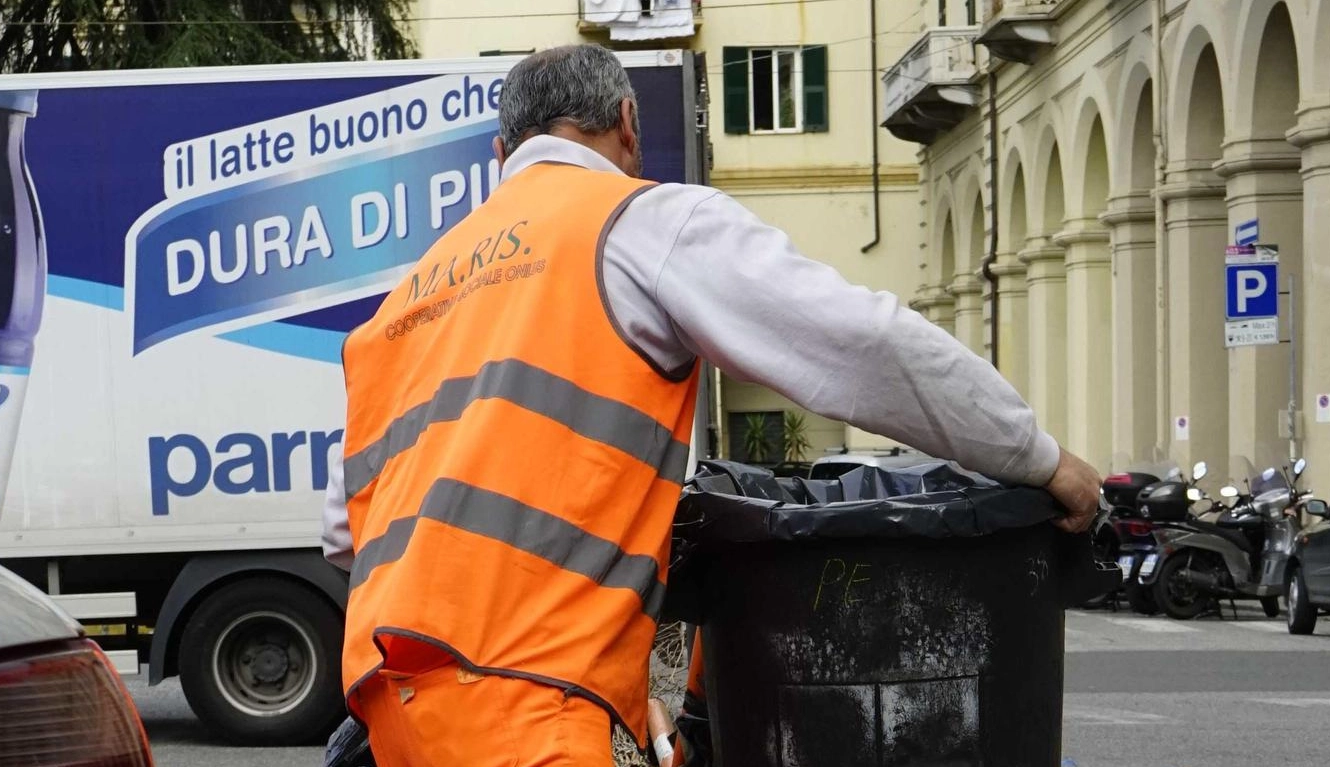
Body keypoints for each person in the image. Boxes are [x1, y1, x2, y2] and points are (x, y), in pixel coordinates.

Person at [322, 43, 1100, 767]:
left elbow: (344, 534)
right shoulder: (635, 223)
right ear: (628, 126)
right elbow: (862, 345)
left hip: (394, 711)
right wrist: (1038, 457)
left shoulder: (406, 299)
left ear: (501, 154)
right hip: (533, 706)